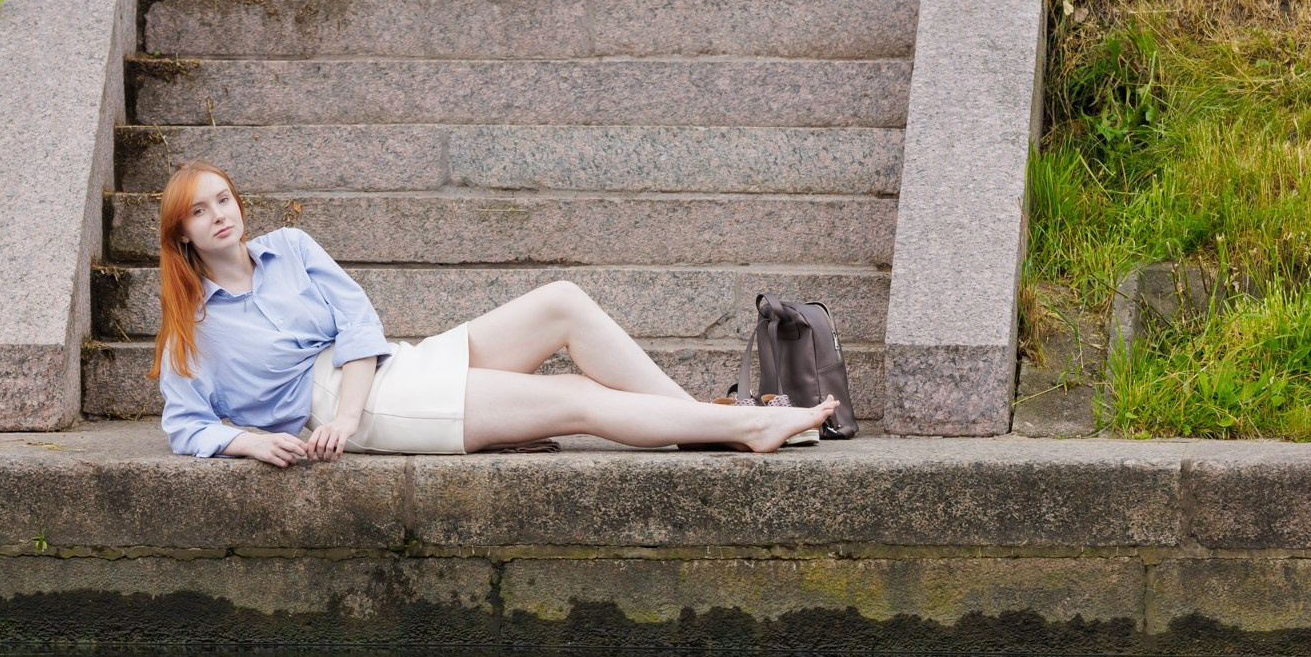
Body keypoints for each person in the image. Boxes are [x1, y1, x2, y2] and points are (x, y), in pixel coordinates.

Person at [150, 161, 835, 464]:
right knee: (576, 397)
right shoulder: (192, 330)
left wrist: (350, 408)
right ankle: (744, 427)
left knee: (563, 301)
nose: (218, 216)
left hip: (382, 374)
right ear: (181, 233)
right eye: (199, 211)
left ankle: (703, 424)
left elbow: (360, 327)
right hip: (354, 409)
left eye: (223, 200)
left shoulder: (291, 249)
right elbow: (186, 423)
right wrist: (252, 440)